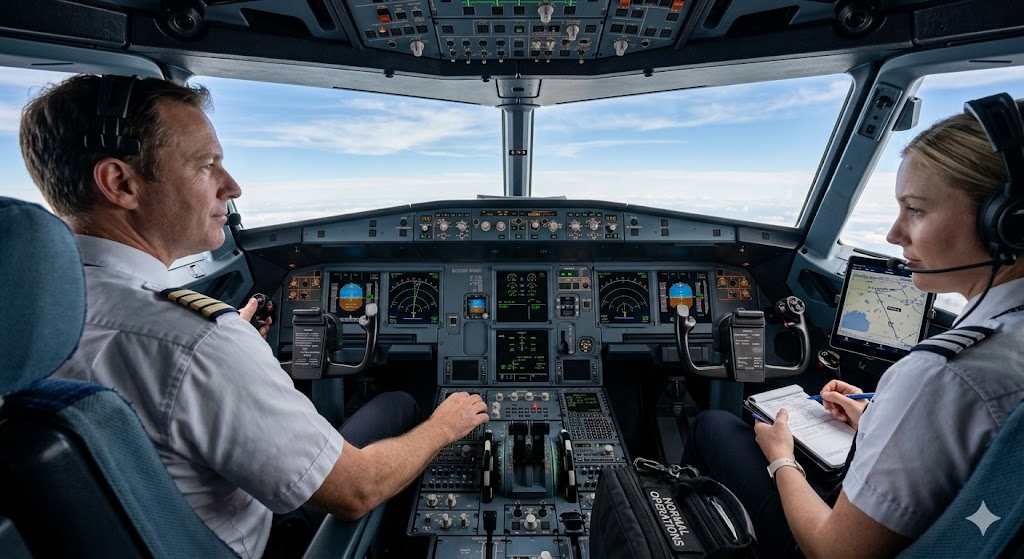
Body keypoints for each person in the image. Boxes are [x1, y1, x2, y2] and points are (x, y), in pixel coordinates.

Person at [18, 74, 490, 558]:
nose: (233, 186)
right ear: (120, 183)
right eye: (206, 166)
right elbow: (357, 491)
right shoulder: (196, 344)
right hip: (259, 542)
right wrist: (446, 423)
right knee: (403, 408)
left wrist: (227, 356)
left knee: (390, 407)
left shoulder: (22, 317)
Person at [685, 96, 1024, 558]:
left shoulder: (946, 375)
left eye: (916, 210)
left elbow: (834, 552)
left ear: (1007, 225)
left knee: (713, 425)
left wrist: (781, 458)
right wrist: (879, 421)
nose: (893, 234)